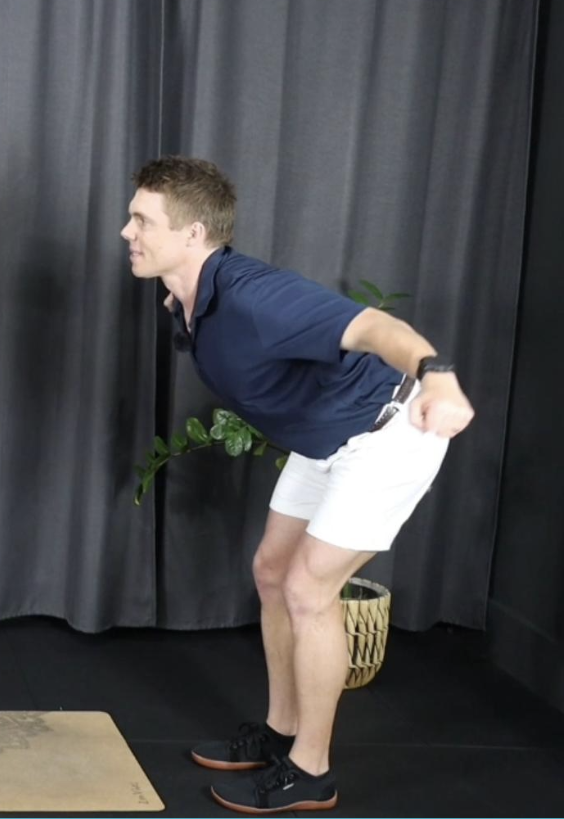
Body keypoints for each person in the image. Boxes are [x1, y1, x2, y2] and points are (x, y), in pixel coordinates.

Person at [120, 157, 475, 813]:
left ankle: (312, 771)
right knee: (271, 571)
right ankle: (281, 733)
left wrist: (439, 375)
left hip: (388, 433)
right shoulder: (192, 295)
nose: (126, 231)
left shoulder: (257, 294)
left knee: (310, 591)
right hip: (327, 440)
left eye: (143, 219)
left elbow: (374, 328)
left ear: (195, 234)